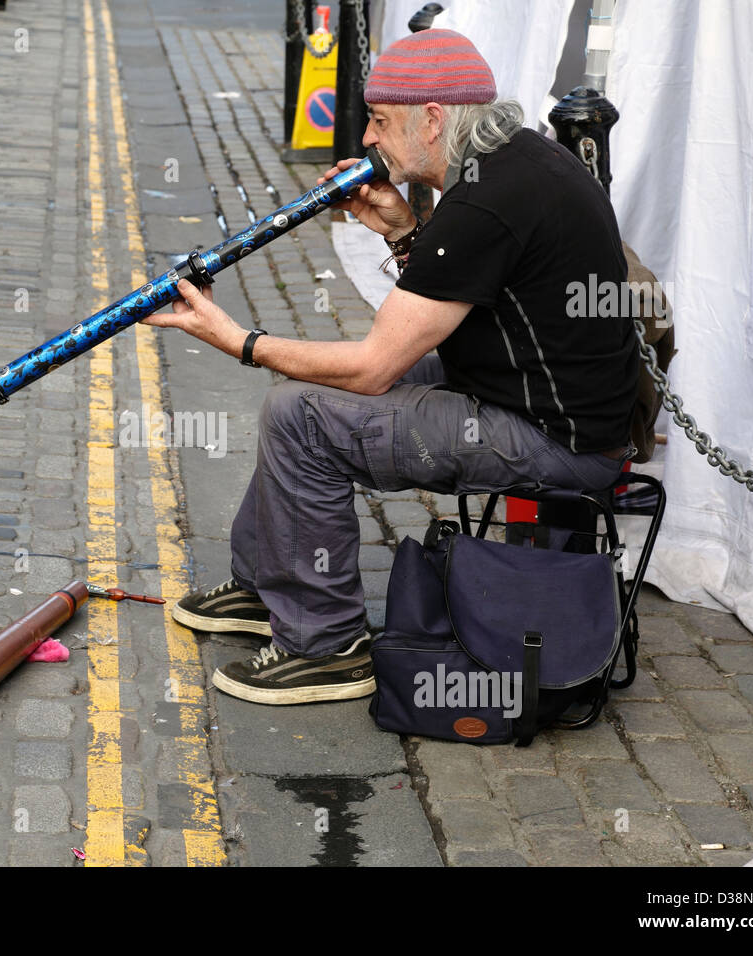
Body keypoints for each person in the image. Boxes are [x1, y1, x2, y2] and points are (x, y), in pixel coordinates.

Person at [147, 30, 638, 706]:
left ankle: (325, 647)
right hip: (537, 398)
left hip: (556, 441)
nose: (369, 138)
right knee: (312, 395)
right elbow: (462, 293)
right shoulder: (512, 162)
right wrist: (404, 229)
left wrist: (240, 341)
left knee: (300, 416)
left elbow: (376, 367)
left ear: (431, 119)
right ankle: (269, 586)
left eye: (380, 121)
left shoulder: (486, 200)